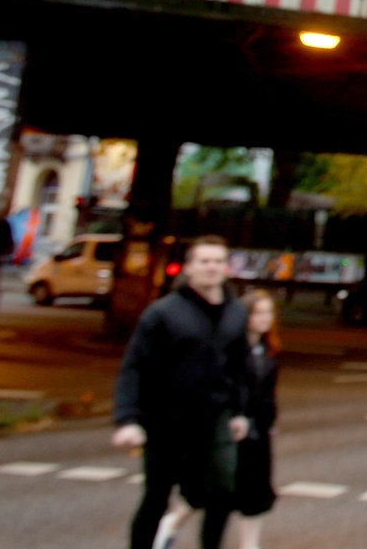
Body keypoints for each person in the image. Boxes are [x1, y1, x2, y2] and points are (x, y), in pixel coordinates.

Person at [112, 235, 251, 549]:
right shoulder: (163, 313)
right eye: (204, 261)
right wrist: (127, 418)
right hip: (165, 420)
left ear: (227, 267)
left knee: (222, 490)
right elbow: (135, 366)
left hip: (216, 418)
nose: (211, 268)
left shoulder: (236, 313)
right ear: (188, 268)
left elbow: (241, 367)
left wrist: (241, 411)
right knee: (158, 495)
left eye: (218, 261)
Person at [154, 287, 281, 549]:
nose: (265, 318)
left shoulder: (269, 352)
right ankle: (171, 524)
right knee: (208, 488)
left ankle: (249, 545)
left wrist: (268, 424)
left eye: (269, 313)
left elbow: (268, 395)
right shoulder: (230, 348)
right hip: (226, 428)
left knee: (254, 492)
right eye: (259, 313)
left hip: (257, 432)